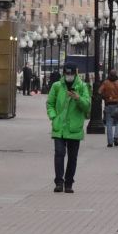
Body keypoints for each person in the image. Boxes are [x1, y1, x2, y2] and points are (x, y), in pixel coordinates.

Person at [46, 63, 90, 193]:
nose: (69, 76)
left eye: (71, 74)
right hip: (59, 127)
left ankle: (69, 183)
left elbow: (87, 106)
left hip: (74, 127)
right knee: (59, 153)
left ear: (75, 73)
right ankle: (59, 182)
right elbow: (50, 104)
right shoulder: (57, 86)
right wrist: (54, 117)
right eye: (67, 74)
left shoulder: (82, 87)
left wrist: (78, 98)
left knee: (72, 157)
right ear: (64, 73)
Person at [98, 69, 118, 149]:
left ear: (109, 75)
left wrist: (105, 96)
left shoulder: (106, 82)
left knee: (109, 123)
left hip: (108, 104)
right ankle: (116, 137)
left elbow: (99, 91)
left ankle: (110, 142)